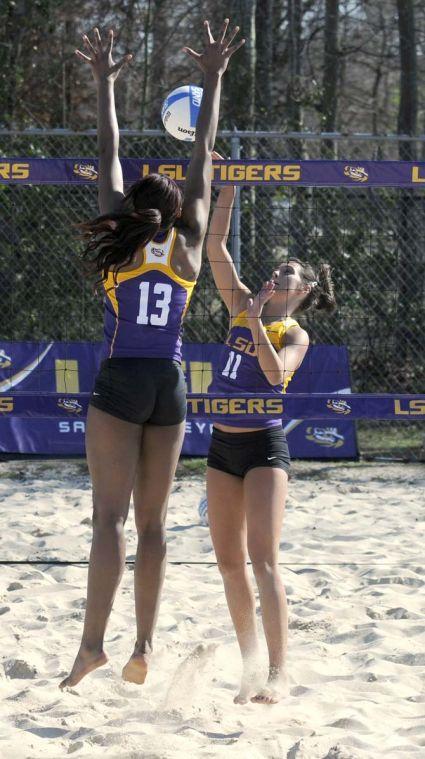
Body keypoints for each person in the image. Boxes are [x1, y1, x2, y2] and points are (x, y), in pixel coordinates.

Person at [59, 22, 245, 690]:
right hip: (170, 381)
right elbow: (202, 152)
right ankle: (142, 645)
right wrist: (216, 76)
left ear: (131, 210)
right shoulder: (189, 247)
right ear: (174, 212)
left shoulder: (118, 236)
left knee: (107, 520)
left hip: (122, 379)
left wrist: (105, 83)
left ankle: (91, 646)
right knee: (154, 525)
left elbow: (108, 149)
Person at [205, 176, 336, 704]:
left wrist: (259, 322)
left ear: (301, 290)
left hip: (263, 447)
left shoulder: (295, 332)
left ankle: (280, 673)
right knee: (228, 564)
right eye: (277, 267)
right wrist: (227, 186)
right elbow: (215, 245)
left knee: (263, 560)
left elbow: (277, 375)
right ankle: (251, 666)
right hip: (221, 445)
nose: (277, 270)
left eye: (289, 271)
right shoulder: (241, 301)